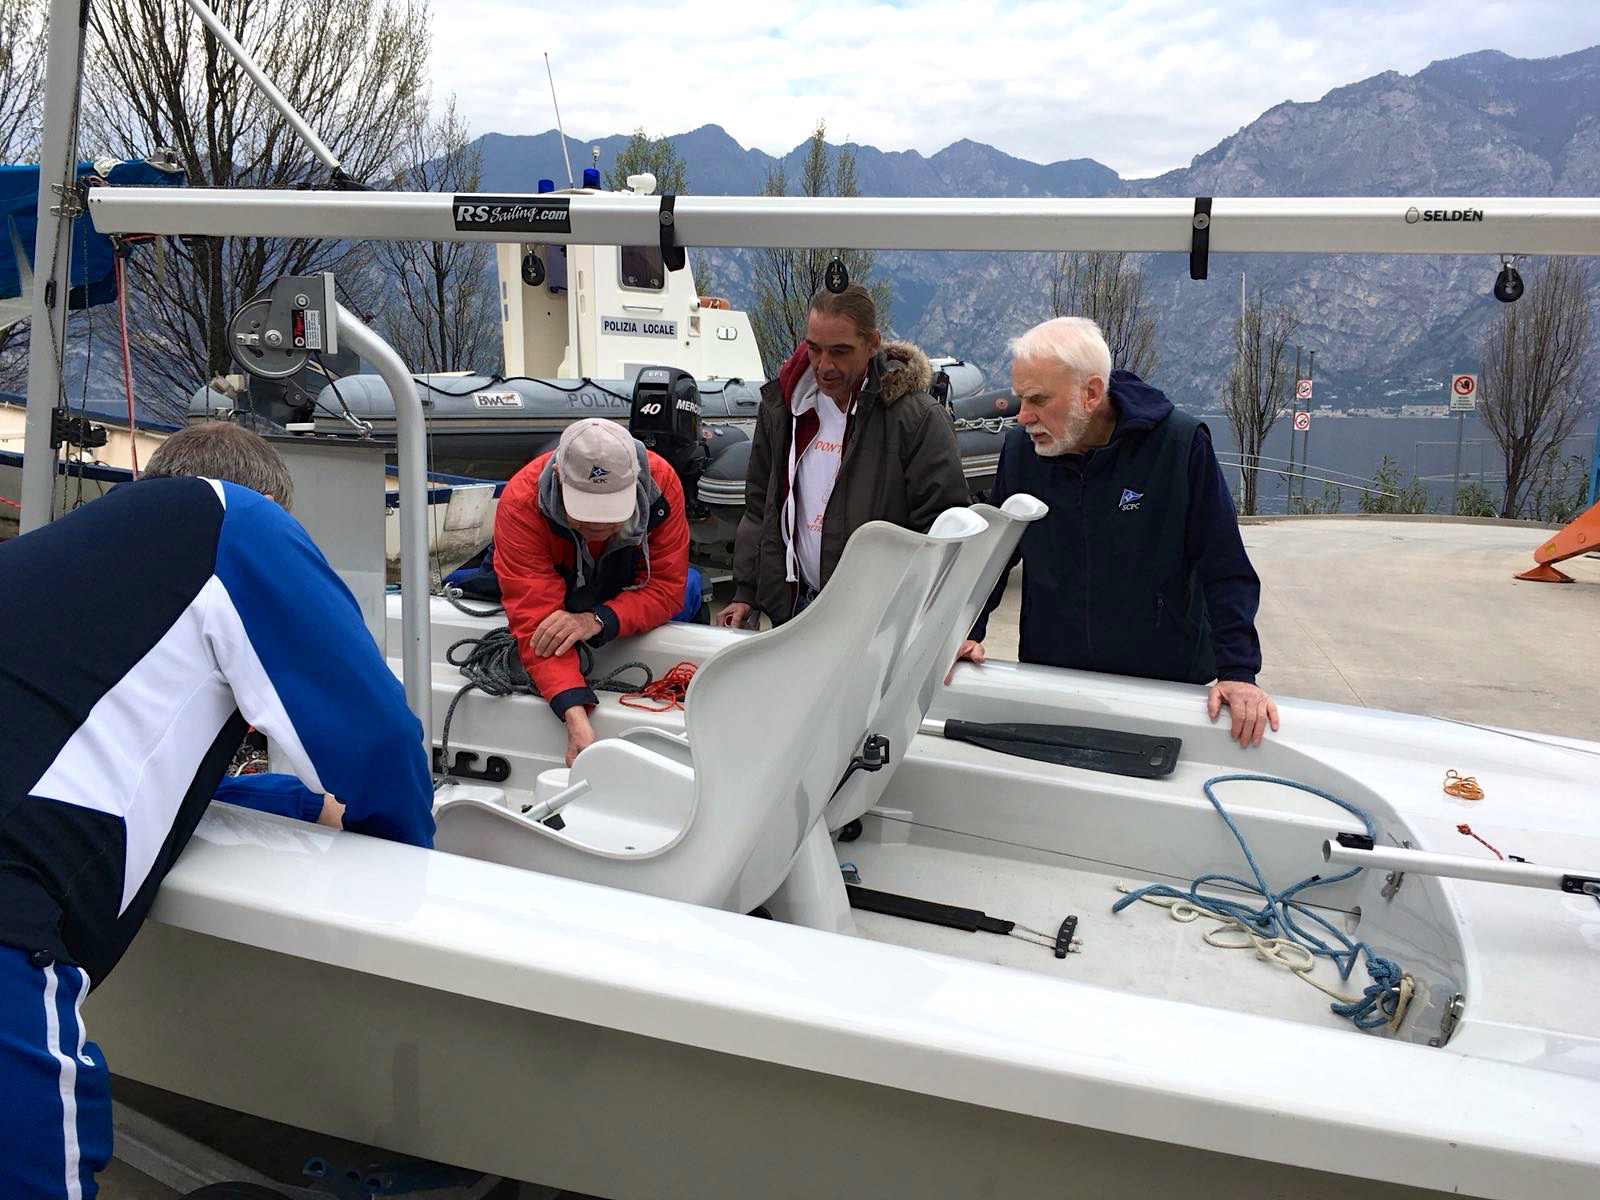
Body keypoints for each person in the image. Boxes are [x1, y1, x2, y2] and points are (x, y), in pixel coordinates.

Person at [0, 421, 435, 1200]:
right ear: (278, 508)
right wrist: (404, 868)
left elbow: (114, 766)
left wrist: (296, 803)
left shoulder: (57, 568)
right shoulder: (238, 519)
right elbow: (378, 739)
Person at [955, 317, 1280, 747]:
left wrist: (1238, 672)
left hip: (1164, 685)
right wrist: (964, 630)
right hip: (1053, 679)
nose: (1023, 416)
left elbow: (1224, 564)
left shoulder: (1179, 446)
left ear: (1091, 393)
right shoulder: (1021, 452)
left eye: (1038, 399)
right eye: (1020, 398)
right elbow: (995, 556)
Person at [717, 284, 969, 629]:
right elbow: (761, 504)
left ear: (873, 344)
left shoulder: (916, 419)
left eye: (840, 351)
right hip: (794, 607)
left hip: (876, 619)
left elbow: (944, 527)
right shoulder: (782, 407)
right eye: (814, 349)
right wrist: (746, 591)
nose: (824, 365)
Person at [493, 417, 691, 766]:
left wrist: (596, 620)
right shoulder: (521, 503)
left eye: (611, 511)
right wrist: (574, 712)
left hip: (622, 581)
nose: (600, 525)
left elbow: (665, 587)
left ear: (635, 481)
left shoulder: (661, 485)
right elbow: (537, 623)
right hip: (557, 577)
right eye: (586, 512)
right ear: (558, 477)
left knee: (693, 588)